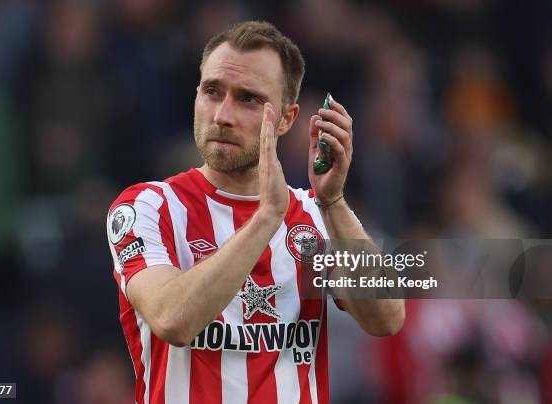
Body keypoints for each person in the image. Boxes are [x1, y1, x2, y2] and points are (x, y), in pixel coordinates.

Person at [106, 20, 405, 404]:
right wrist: (266, 218)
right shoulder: (146, 206)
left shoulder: (316, 216)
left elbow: (388, 318)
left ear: (286, 119)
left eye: (248, 99)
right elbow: (171, 320)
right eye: (213, 92)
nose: (222, 115)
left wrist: (333, 202)